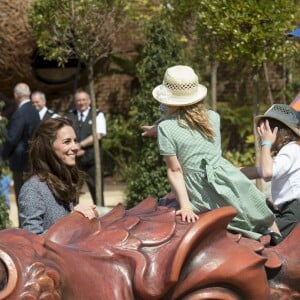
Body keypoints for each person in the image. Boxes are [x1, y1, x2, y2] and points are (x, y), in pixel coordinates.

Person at [152, 65, 280, 241]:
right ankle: (275, 238)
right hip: (230, 181)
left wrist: (186, 206)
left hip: (202, 192)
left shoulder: (166, 128)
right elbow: (190, 132)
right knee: (261, 212)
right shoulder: (213, 117)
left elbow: (175, 170)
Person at [18, 117, 97, 235]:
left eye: (75, 141)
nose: (75, 147)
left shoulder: (64, 180)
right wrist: (71, 223)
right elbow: (32, 240)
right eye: (67, 142)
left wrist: (81, 216)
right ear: (48, 147)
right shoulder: (33, 188)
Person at [241, 104, 300, 239]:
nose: (261, 134)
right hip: (288, 210)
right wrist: (227, 171)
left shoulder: (291, 151)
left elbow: (267, 173)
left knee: (264, 240)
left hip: (295, 212)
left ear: (277, 131)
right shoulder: (288, 153)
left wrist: (266, 144)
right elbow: (258, 171)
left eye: (266, 129)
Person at [1, 83, 40, 206]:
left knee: (22, 199)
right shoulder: (34, 110)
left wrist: (3, 155)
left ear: (16, 95)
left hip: (21, 162)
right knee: (31, 199)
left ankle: (23, 226)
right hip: (32, 160)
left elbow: (12, 138)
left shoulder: (20, 112)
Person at [65, 89, 106, 205]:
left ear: (89, 101)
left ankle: (101, 220)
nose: (81, 102)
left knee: (97, 193)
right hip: (74, 163)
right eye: (78, 100)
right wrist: (73, 148)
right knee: (72, 193)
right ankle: (73, 220)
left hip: (92, 162)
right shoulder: (69, 115)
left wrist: (80, 145)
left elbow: (98, 134)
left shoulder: (97, 114)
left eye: (84, 100)